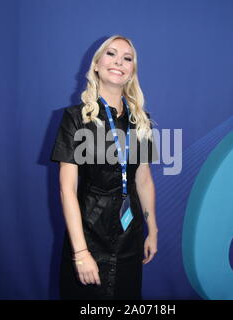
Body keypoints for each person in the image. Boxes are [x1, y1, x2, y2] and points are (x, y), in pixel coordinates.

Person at [50, 35, 158, 300]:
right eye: (111, 54)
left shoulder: (141, 122)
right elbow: (67, 188)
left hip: (129, 237)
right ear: (96, 65)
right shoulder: (75, 118)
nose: (119, 62)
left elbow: (143, 179)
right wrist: (80, 252)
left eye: (127, 58)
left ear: (132, 71)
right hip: (87, 235)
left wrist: (152, 229)